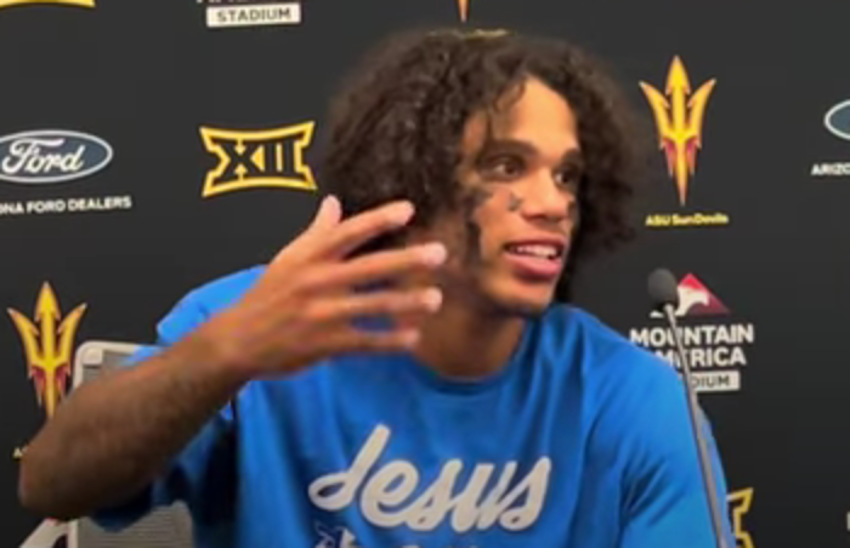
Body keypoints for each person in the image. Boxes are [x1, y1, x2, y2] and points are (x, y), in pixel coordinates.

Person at [18, 27, 735, 548]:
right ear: (412, 182)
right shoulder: (253, 326)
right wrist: (223, 354)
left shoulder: (632, 397)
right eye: (505, 166)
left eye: (567, 175)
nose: (553, 204)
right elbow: (51, 484)